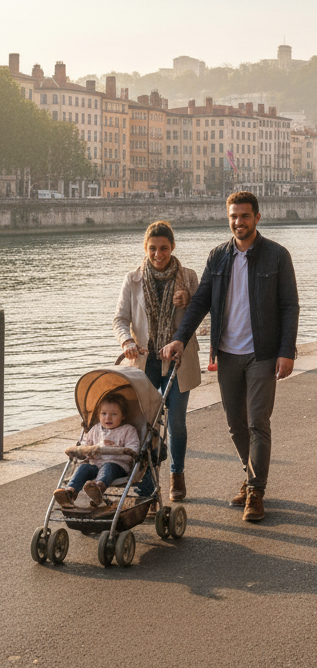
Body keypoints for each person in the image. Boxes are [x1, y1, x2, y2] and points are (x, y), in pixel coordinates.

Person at [161, 191, 299, 523]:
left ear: (257, 218)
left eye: (245, 216)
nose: (239, 222)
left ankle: (255, 492)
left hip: (262, 353)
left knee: (257, 422)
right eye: (234, 216)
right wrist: (180, 338)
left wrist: (286, 351)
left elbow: (290, 306)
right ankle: (249, 473)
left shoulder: (277, 256)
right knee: (236, 426)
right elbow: (200, 302)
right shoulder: (218, 256)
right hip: (227, 352)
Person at [113, 220, 200, 502]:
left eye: (164, 248)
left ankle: (177, 474)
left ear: (173, 247)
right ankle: (149, 484)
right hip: (145, 360)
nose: (158, 254)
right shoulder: (133, 278)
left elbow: (200, 315)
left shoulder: (188, 277)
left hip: (178, 360)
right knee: (146, 424)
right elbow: (121, 319)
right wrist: (126, 342)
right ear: (145, 248)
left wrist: (188, 301)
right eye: (153, 248)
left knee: (176, 422)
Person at [54, 392, 140, 509]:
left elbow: (133, 450)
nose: (107, 418)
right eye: (103, 413)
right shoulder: (95, 429)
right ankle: (70, 492)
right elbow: (85, 444)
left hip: (117, 466)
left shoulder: (128, 430)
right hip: (95, 464)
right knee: (84, 468)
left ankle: (98, 489)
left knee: (108, 467)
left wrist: (116, 449)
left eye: (113, 414)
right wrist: (84, 451)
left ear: (123, 416)